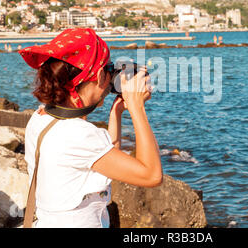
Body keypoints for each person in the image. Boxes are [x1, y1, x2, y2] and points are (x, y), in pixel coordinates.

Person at [18, 28, 162, 228]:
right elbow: (152, 175)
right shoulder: (78, 135)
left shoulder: (41, 117)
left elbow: (105, 161)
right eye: (108, 68)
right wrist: (137, 108)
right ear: (99, 75)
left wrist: (116, 114)